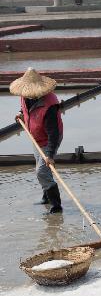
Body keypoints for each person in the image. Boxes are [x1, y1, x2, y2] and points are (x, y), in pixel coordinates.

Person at [9, 68, 63, 213]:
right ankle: (46, 196)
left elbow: (53, 134)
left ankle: (56, 206)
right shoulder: (25, 94)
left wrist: (50, 155)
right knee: (42, 168)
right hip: (35, 137)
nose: (28, 95)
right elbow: (25, 107)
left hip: (49, 139)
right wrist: (21, 113)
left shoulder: (50, 105)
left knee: (41, 171)